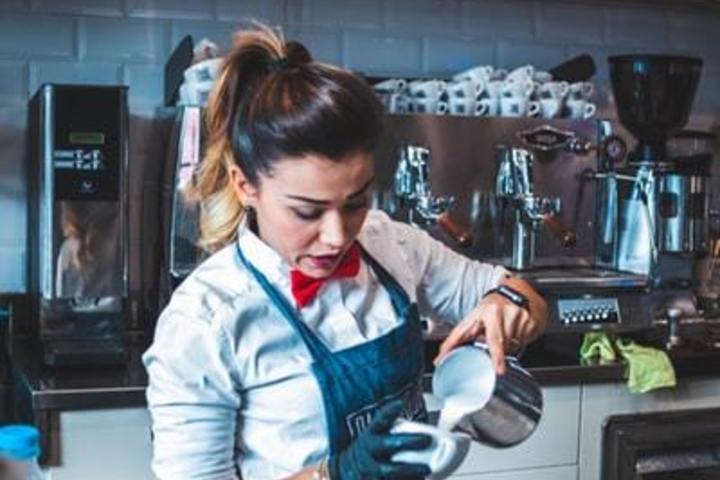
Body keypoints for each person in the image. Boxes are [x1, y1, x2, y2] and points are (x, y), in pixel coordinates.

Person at [143, 23, 548, 480]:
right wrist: (335, 474)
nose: (337, 236)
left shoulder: (390, 244)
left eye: (355, 202)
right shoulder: (204, 322)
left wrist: (508, 304)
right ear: (245, 186)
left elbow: (519, 292)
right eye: (307, 211)